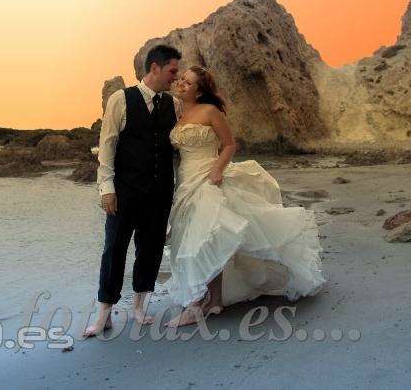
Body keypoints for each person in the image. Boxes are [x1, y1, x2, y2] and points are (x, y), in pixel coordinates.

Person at [165, 66, 327, 327]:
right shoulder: (178, 112)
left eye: (188, 82)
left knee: (199, 238)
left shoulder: (210, 111)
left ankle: (194, 305)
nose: (181, 83)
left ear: (200, 90)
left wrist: (217, 169)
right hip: (186, 180)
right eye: (181, 79)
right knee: (207, 238)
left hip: (208, 178)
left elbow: (229, 144)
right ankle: (215, 300)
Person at [84, 44, 182, 337]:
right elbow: (108, 146)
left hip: (160, 191)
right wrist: (106, 188)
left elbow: (177, 148)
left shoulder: (173, 105)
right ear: (154, 68)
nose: (175, 78)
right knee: (114, 249)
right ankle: (104, 313)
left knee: (151, 249)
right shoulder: (121, 99)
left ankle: (139, 306)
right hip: (125, 191)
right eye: (172, 71)